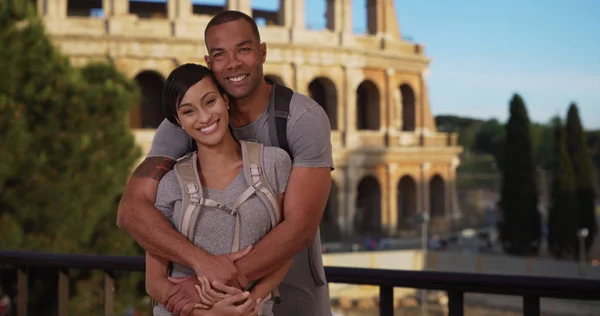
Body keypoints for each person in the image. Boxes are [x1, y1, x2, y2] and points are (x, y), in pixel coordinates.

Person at [117, 10, 334, 316]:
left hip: (291, 296)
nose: (233, 63)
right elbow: (131, 210)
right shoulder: (180, 128)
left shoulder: (301, 119)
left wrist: (216, 284)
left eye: (243, 49)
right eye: (220, 54)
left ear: (262, 52)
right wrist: (202, 268)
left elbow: (298, 229)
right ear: (209, 62)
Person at [145, 63, 292, 316]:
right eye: (188, 111)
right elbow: (154, 282)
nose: (204, 118)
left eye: (209, 101)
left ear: (225, 100)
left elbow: (285, 248)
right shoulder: (170, 184)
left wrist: (251, 303)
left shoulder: (274, 163)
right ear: (178, 121)